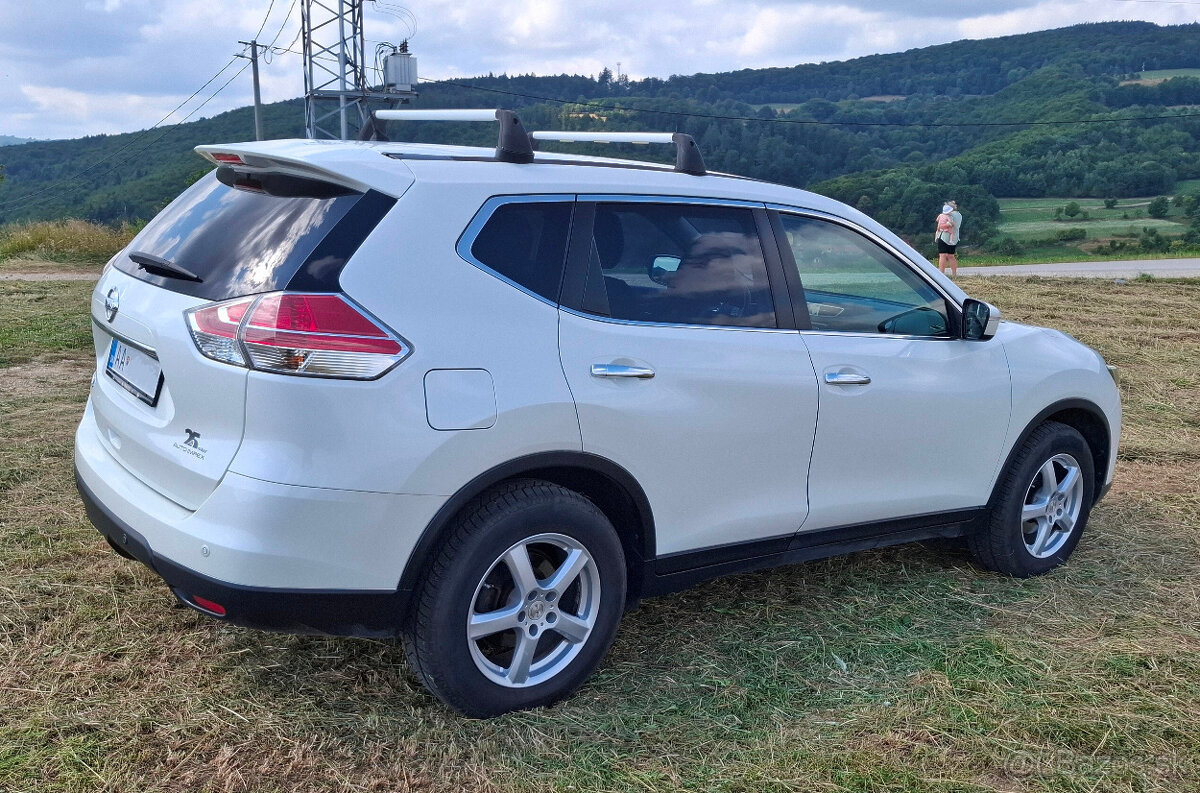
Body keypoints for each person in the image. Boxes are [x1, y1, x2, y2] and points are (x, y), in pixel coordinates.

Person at [934, 200, 962, 276]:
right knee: (951, 256)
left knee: (942, 255)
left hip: (944, 236)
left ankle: (941, 274)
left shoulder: (948, 215)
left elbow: (943, 225)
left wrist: (939, 227)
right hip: (954, 238)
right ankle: (954, 274)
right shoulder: (959, 215)